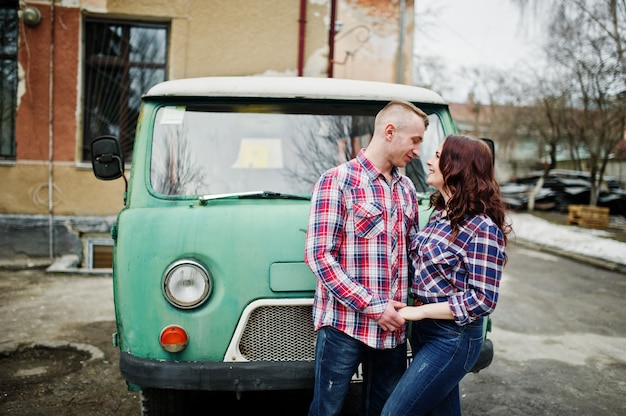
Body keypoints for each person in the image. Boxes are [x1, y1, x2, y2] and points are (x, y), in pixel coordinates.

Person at [304, 100, 430, 416]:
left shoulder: (408, 189)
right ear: (389, 131)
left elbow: (412, 254)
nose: (417, 150)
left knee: (385, 410)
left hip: (394, 330)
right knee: (326, 410)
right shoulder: (337, 180)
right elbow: (319, 256)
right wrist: (374, 307)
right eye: (414, 140)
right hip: (345, 327)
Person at [382, 135, 512, 416]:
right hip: (427, 332)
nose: (428, 160)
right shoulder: (440, 215)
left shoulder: (482, 228)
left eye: (438, 156)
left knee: (394, 412)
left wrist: (422, 311)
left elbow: (483, 299)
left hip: (454, 338)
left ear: (458, 167)